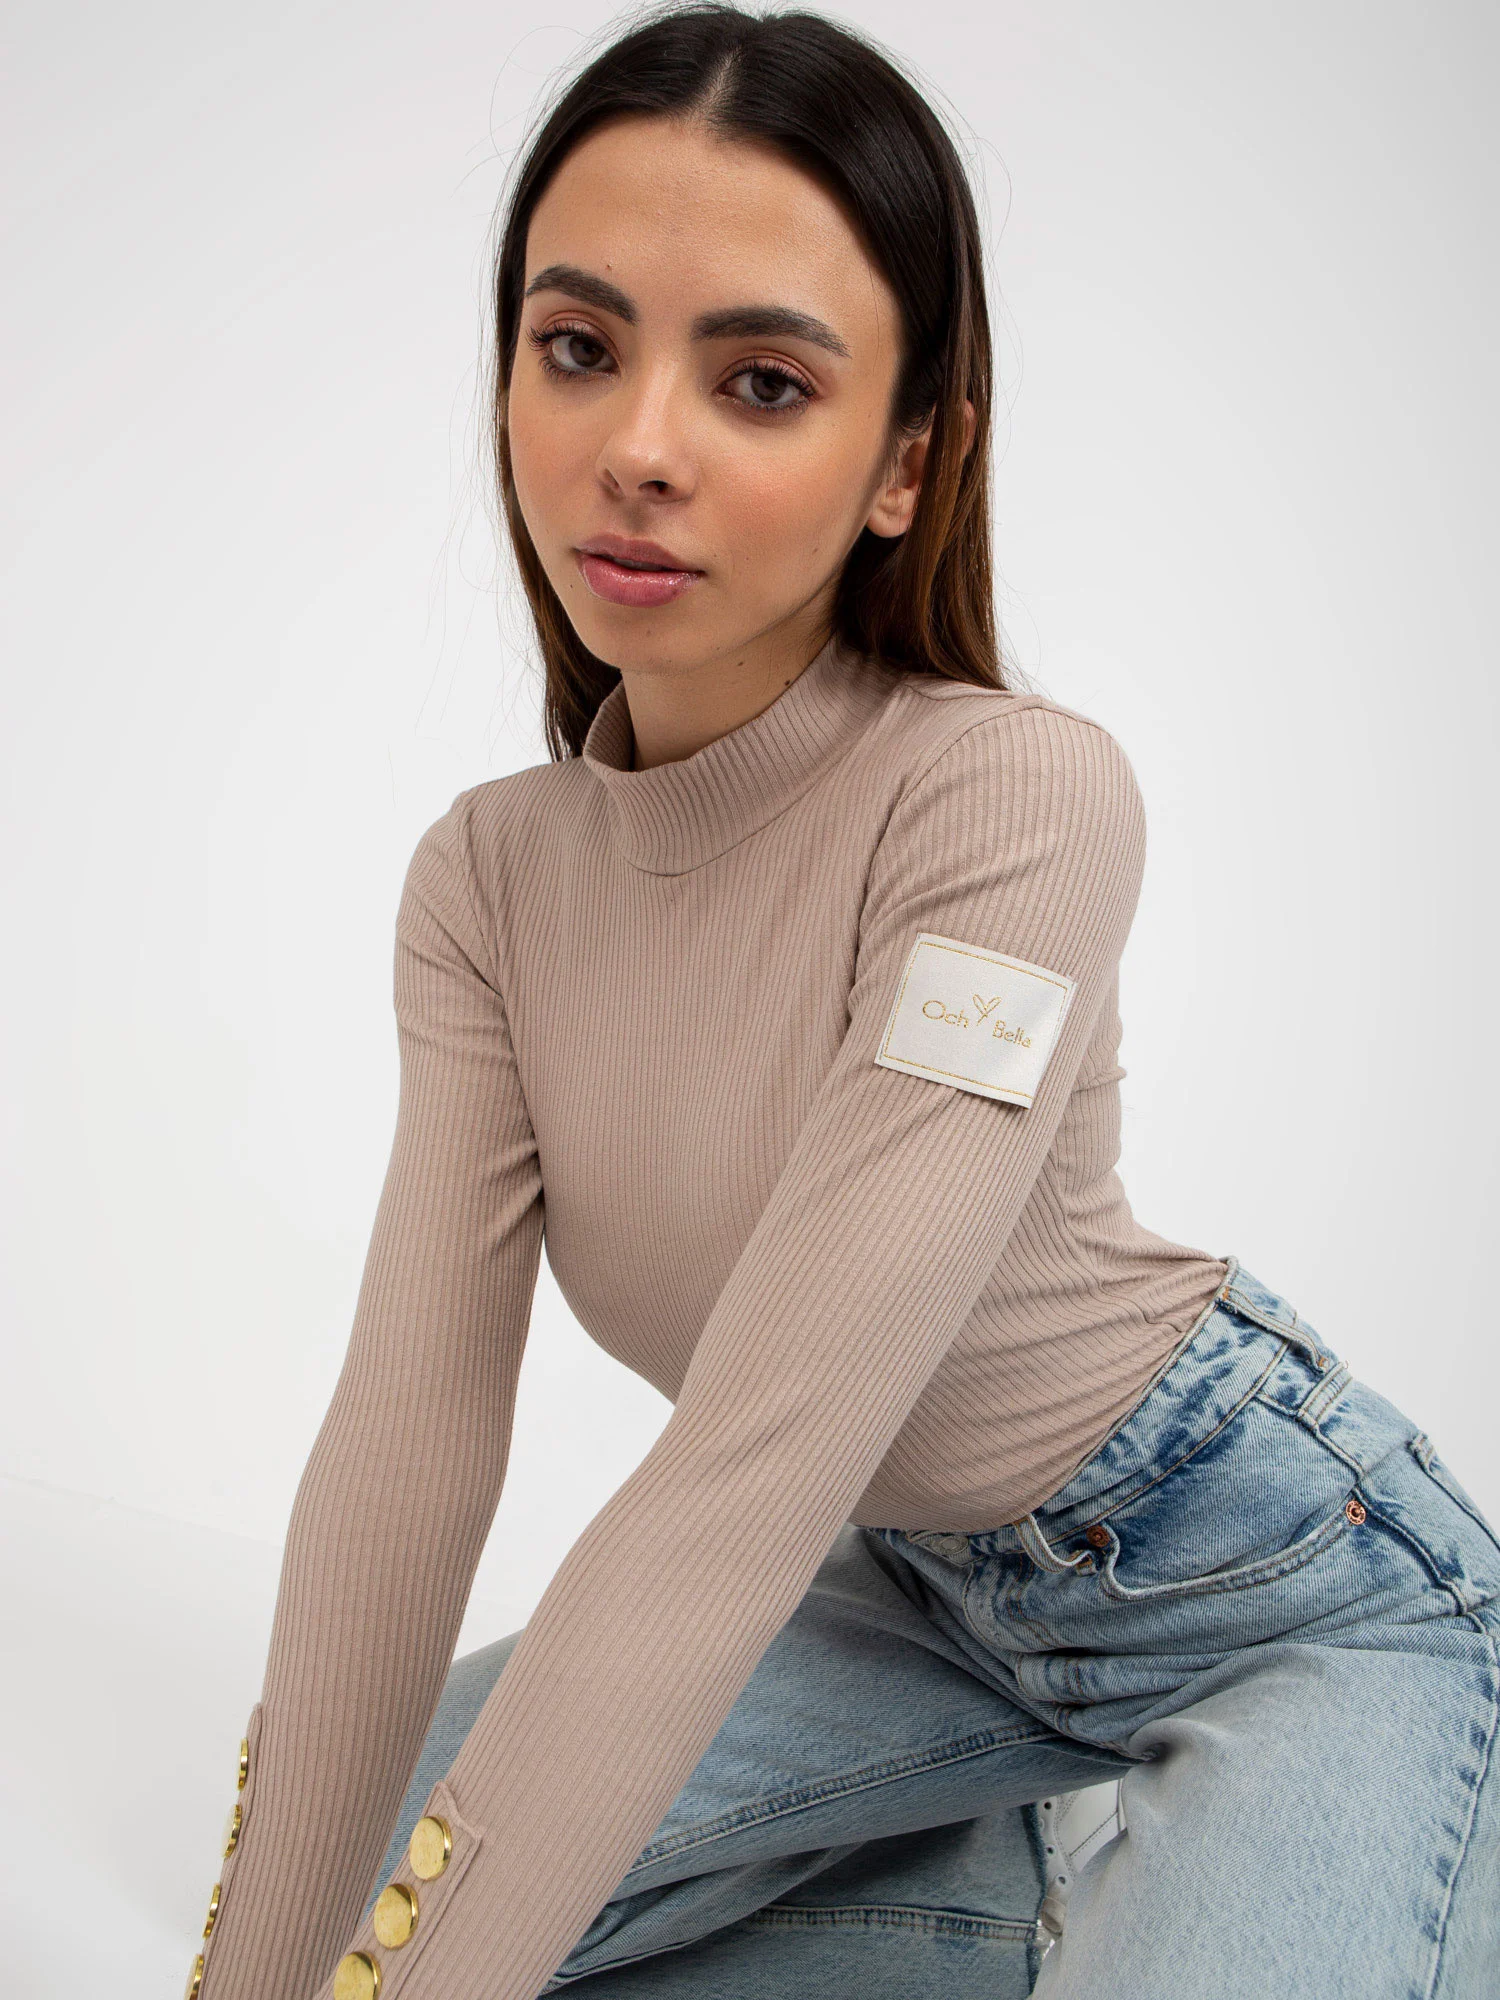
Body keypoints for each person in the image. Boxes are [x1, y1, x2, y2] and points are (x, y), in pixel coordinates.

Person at [181, 6, 1500, 1998]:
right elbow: (411, 1432)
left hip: (1270, 1588)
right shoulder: (487, 882)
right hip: (914, 1595)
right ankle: (1019, 1860)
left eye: (763, 382)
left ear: (909, 462)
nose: (639, 446)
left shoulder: (1012, 801)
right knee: (374, 1866)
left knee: (458, 1918)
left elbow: (755, 1460)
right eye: (577, 346)